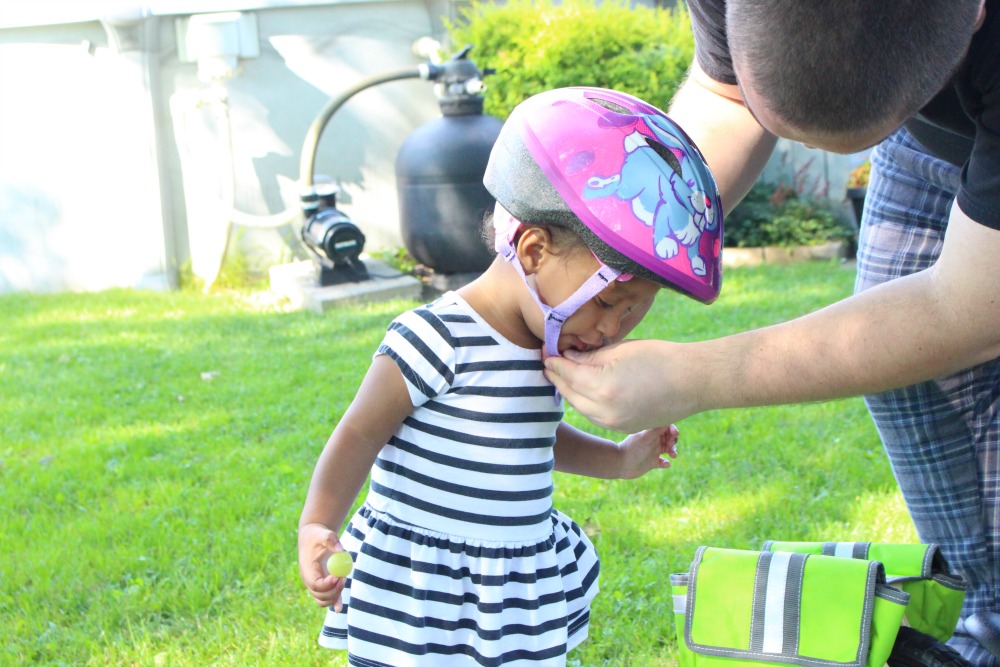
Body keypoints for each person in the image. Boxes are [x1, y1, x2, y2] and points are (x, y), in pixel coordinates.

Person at [543, 1, 1000, 664]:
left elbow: (964, 311)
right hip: (924, 129)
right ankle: (984, 612)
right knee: (915, 383)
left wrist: (691, 377)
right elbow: (725, 103)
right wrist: (610, 258)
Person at [297, 86, 725, 666]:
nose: (611, 330)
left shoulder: (550, 346)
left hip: (509, 585)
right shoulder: (436, 337)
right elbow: (360, 433)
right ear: (533, 250)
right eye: (606, 303)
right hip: (426, 589)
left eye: (633, 312)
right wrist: (319, 521)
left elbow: (533, 439)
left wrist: (620, 460)